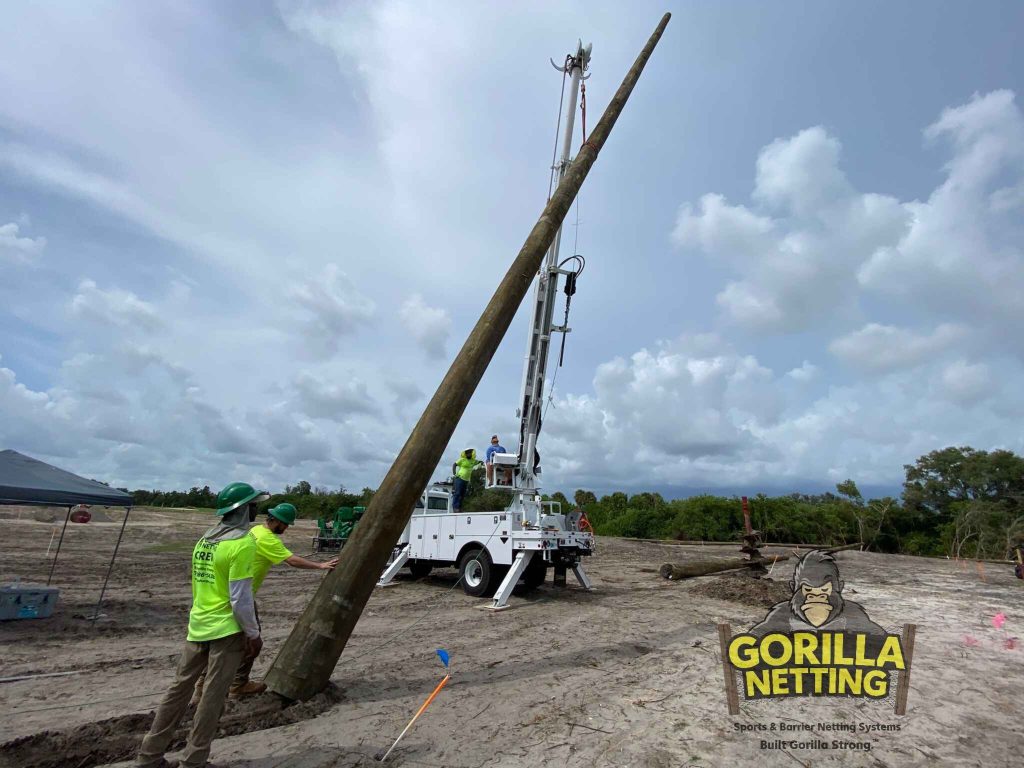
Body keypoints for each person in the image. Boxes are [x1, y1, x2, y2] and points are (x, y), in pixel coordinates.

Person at [136, 481, 268, 768]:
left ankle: (149, 756)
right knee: (212, 698)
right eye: (254, 505)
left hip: (197, 626)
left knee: (178, 690)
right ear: (245, 510)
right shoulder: (243, 544)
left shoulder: (205, 540)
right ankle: (194, 761)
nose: (257, 510)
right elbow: (240, 598)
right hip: (226, 631)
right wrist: (253, 634)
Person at [225, 502, 339, 696]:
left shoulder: (255, 531)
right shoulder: (268, 540)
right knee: (252, 642)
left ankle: (208, 684)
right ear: (275, 520)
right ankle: (237, 685)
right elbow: (291, 560)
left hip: (229, 592)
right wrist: (319, 566)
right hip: (243, 596)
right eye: (285, 524)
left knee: (225, 641)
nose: (286, 528)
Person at [451, 448, 482, 513]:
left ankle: (459, 508)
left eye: (469, 452)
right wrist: (454, 473)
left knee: (463, 494)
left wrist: (482, 462)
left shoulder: (473, 461)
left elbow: (479, 462)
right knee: (457, 493)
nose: (468, 454)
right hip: (459, 478)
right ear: (465, 454)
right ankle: (455, 507)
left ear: (471, 453)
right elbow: (454, 464)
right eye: (467, 453)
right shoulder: (462, 460)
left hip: (466, 480)